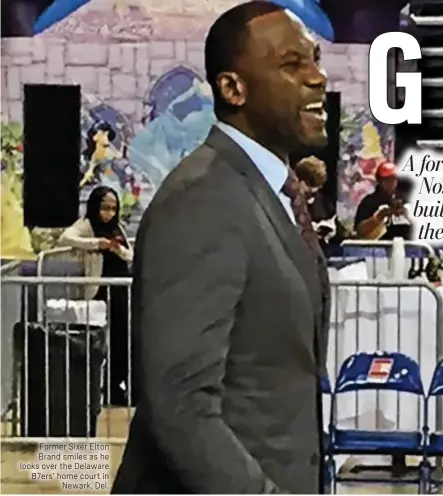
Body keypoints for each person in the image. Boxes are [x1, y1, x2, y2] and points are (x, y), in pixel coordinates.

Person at [112, 2, 331, 493]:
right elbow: (182, 408)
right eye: (292, 65)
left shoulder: (267, 192)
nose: (317, 78)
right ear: (233, 89)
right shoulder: (202, 200)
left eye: (315, 59)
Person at [58, 186, 134, 406]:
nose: (108, 214)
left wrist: (118, 250)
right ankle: (91, 390)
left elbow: (129, 253)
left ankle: (115, 387)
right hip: (99, 291)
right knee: (96, 342)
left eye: (112, 209)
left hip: (120, 292)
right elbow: (66, 238)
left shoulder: (116, 227)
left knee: (122, 341)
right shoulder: (87, 225)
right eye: (104, 208)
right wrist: (97, 244)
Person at [354, 162, 413, 240]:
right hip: (378, 248)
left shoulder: (407, 199)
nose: (390, 183)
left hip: (407, 246)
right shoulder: (370, 201)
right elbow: (360, 231)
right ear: (379, 180)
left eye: (393, 179)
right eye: (386, 180)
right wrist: (378, 217)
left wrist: (407, 214)